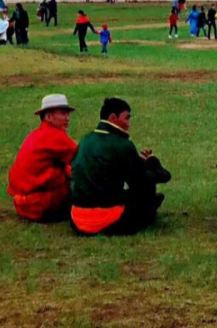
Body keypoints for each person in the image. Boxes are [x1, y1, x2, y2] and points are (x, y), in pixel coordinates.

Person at [70, 97, 171, 236]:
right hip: (106, 219)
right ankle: (149, 210)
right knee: (147, 189)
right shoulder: (122, 145)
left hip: (76, 219)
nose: (129, 124)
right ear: (112, 118)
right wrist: (153, 164)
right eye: (126, 118)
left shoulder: (85, 140)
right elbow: (140, 182)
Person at [8, 94, 78, 222]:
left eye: (68, 114)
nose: (67, 118)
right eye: (63, 113)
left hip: (21, 204)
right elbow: (83, 160)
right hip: (39, 205)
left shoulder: (36, 134)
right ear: (49, 116)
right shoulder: (55, 136)